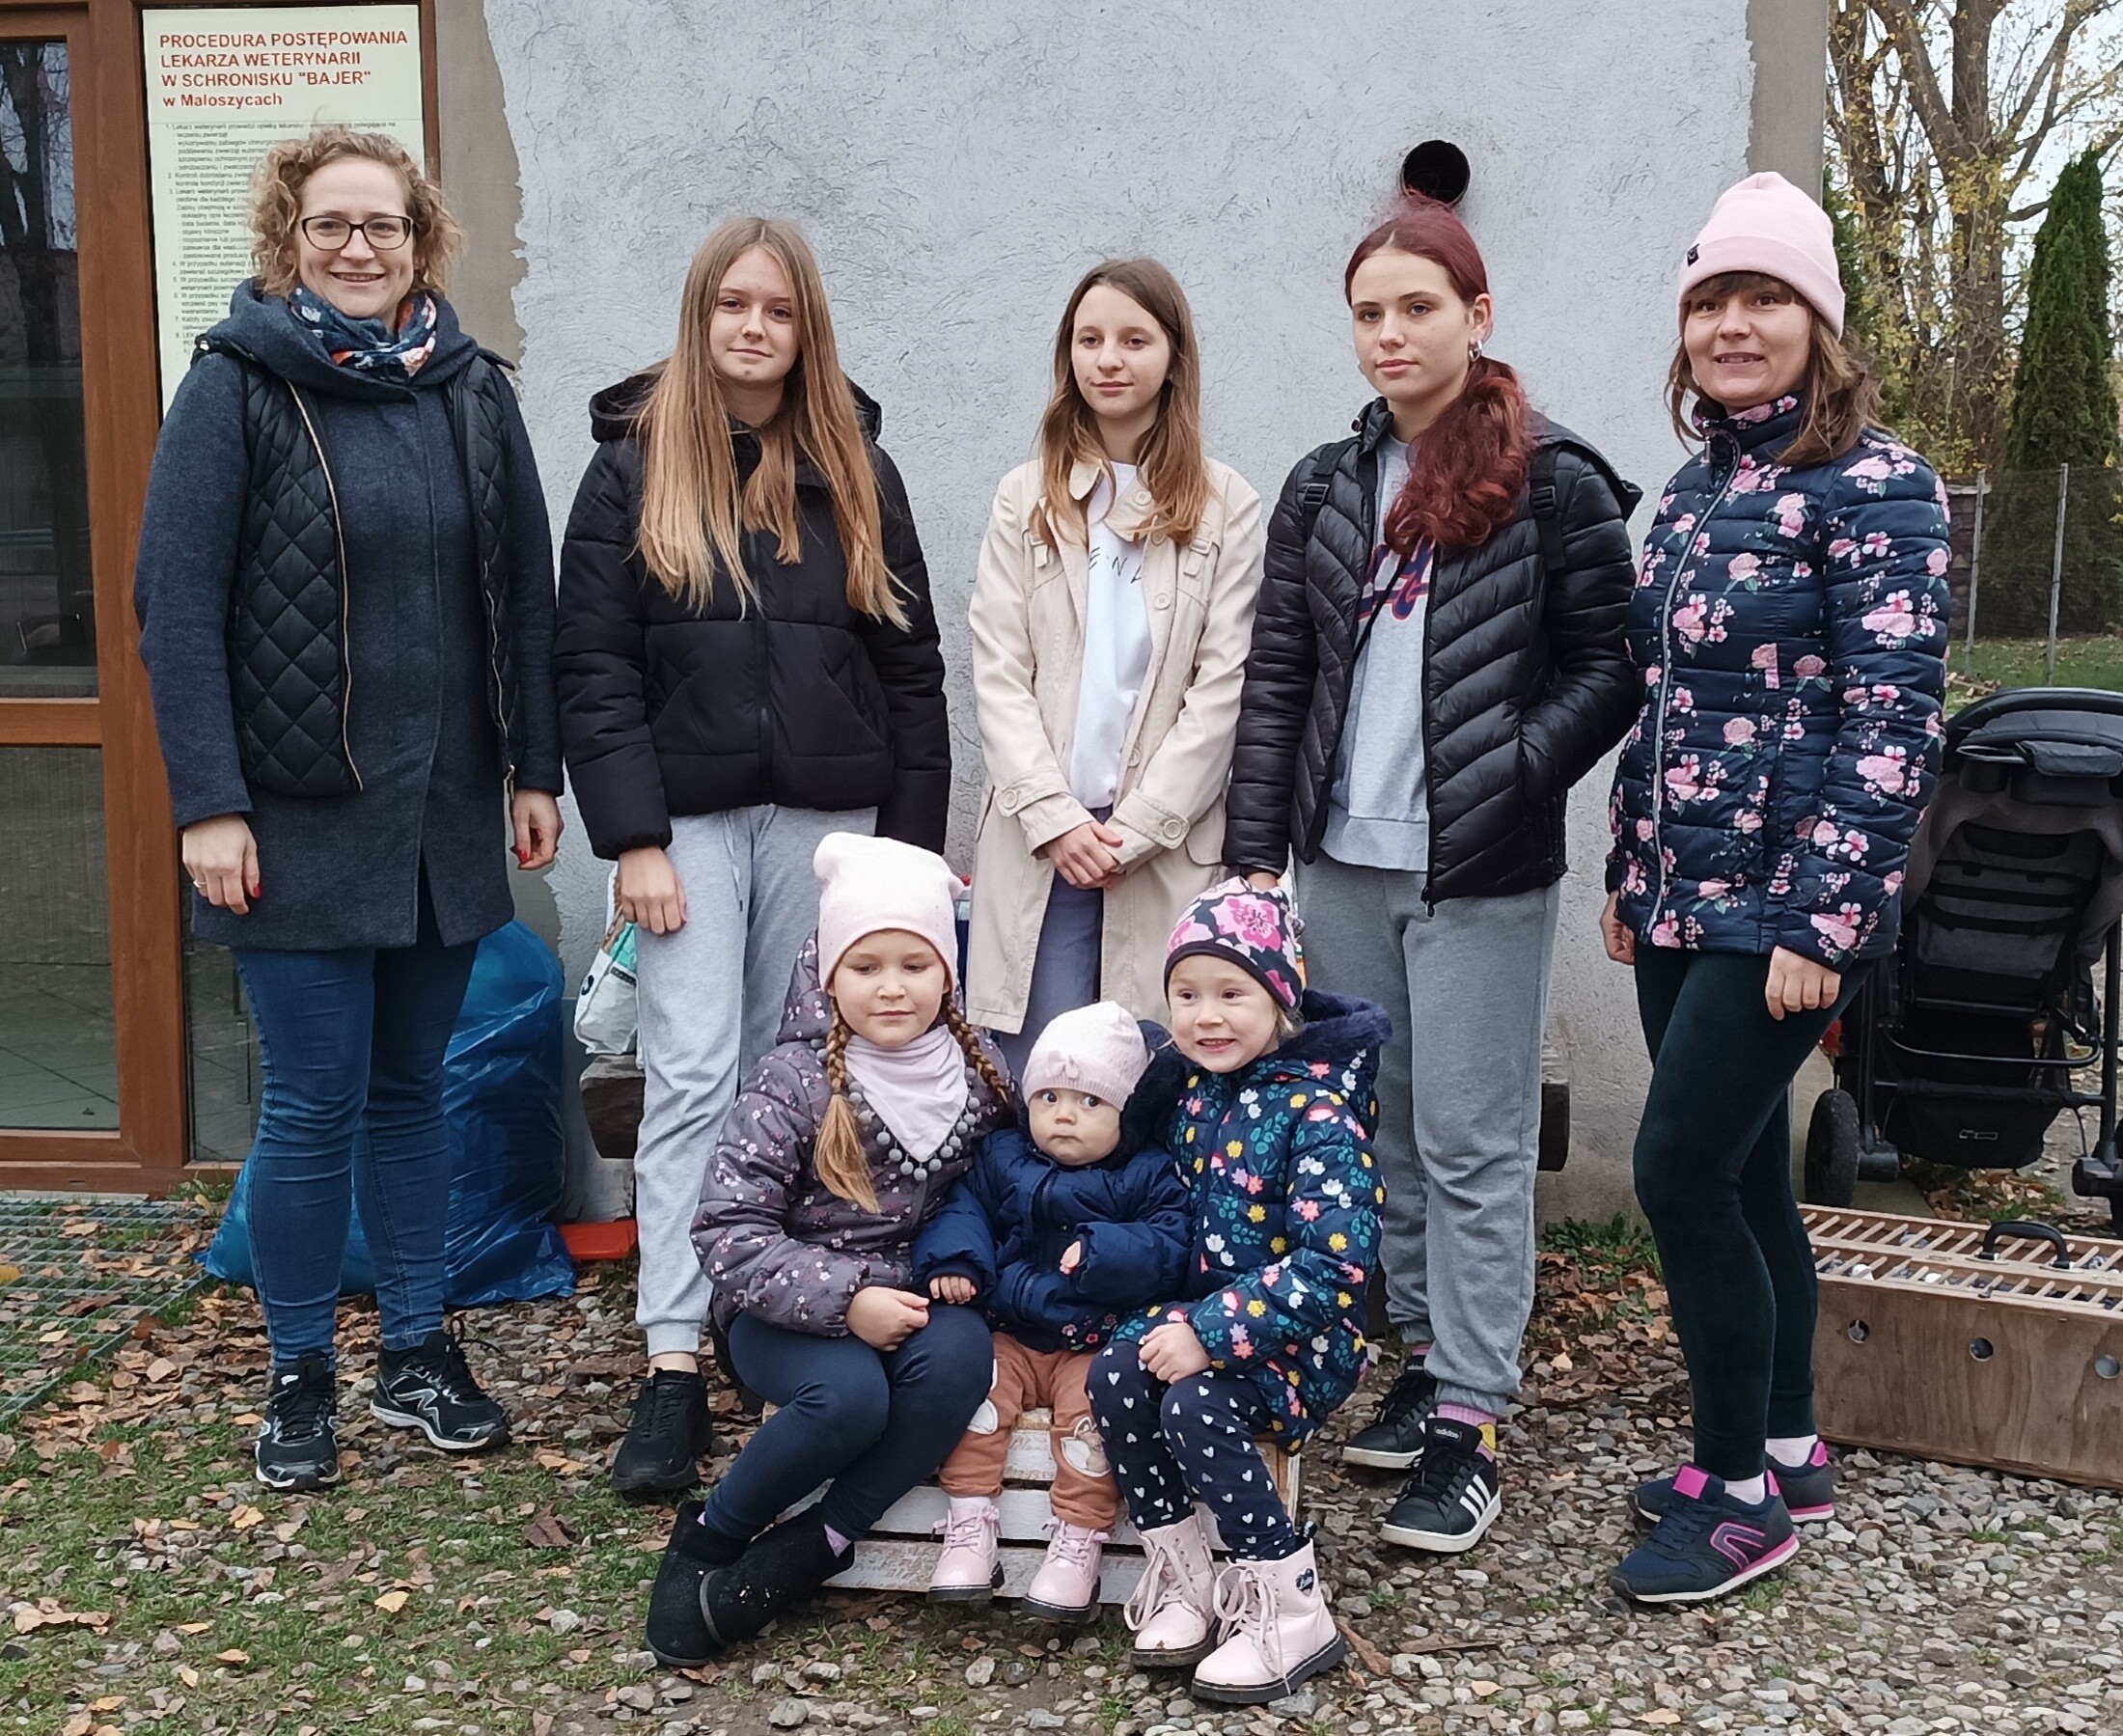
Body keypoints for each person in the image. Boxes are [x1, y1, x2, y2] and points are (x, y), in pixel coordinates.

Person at [132, 127, 562, 1492]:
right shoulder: (236, 386)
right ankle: (301, 1368)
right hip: (294, 817)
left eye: (383, 225)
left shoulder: (470, 390)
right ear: (290, 237)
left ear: (421, 240)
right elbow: (175, 610)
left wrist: (533, 768)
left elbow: (527, 592)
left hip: (442, 816)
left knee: (410, 1091)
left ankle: (419, 1350)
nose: (360, 247)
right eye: (332, 225)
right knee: (315, 1102)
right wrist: (209, 803)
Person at [1222, 194, 1640, 1553]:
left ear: (1477, 314)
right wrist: (1253, 856)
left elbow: (1610, 662)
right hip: (1343, 862)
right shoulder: (1325, 484)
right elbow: (1280, 676)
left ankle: (1472, 1415)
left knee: (1472, 1140)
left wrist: (1514, 767)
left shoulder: (1555, 479)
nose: (1390, 333)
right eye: (1368, 312)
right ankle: (1419, 1354)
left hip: (1478, 867)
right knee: (1378, 1128)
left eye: (1418, 306)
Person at [556, 218, 951, 1499]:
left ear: (805, 327)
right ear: (701, 315)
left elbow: (910, 667)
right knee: (690, 1074)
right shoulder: (631, 464)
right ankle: (676, 1350)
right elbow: (593, 663)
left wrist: (908, 861)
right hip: (685, 821)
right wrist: (632, 835)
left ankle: (776, 1317)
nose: (753, 327)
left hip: (829, 823)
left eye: (777, 309)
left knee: (812, 1073)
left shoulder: (856, 464)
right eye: (732, 304)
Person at [1600, 172, 1949, 1604]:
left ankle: (1738, 1496)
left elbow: (1892, 722)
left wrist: (1824, 919)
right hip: (1679, 892)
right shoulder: (1696, 488)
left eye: (1764, 297)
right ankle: (1787, 1442)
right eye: (1710, 301)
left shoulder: (1882, 486)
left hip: (1786, 907)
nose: (1732, 325)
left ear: (1819, 320)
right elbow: (1659, 701)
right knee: (1744, 1172)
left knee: (1676, 1169)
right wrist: (1629, 868)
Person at [642, 834, 1012, 1665]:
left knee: (960, 1361)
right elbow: (727, 1230)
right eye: (866, 965)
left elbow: (1000, 1189)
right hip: (784, 1313)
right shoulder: (794, 1082)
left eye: (915, 964)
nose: (892, 986)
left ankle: (825, 1537)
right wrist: (849, 1298)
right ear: (828, 973)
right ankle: (713, 1532)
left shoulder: (979, 1074)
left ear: (947, 973)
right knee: (848, 1397)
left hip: (919, 1296)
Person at [1089, 882, 1388, 1707]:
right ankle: (1187, 1580)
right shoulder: (1191, 1094)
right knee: (1116, 1373)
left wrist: (1211, 1334)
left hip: (1305, 1342)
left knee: (1194, 1404)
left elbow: (1334, 1268)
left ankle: (1290, 1607)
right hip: (1211, 1320)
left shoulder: (1319, 1112)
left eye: (1232, 993)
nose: (1206, 1016)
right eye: (1187, 995)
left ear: (1281, 999)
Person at [966, 260, 1264, 1077]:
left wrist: (1137, 828)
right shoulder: (1024, 496)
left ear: (1173, 356)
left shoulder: (1225, 504)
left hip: (1163, 844)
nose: (1109, 359)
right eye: (1089, 339)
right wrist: (1056, 818)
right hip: (1046, 839)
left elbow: (1223, 686)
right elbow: (998, 670)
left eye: (1135, 340)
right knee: (1045, 1078)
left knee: (1158, 1070)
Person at [911, 1000, 1191, 1621]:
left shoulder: (1147, 1173)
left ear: (1127, 1112)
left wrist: (1103, 1252)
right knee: (976, 1400)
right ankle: (970, 1524)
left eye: (1091, 1101)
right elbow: (963, 1209)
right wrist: (956, 1261)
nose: (1065, 1115)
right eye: (1049, 1097)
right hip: (1010, 1330)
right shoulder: (1002, 1156)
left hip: (1093, 1337)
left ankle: (1078, 1542)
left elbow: (1171, 1244)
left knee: (1092, 1424)